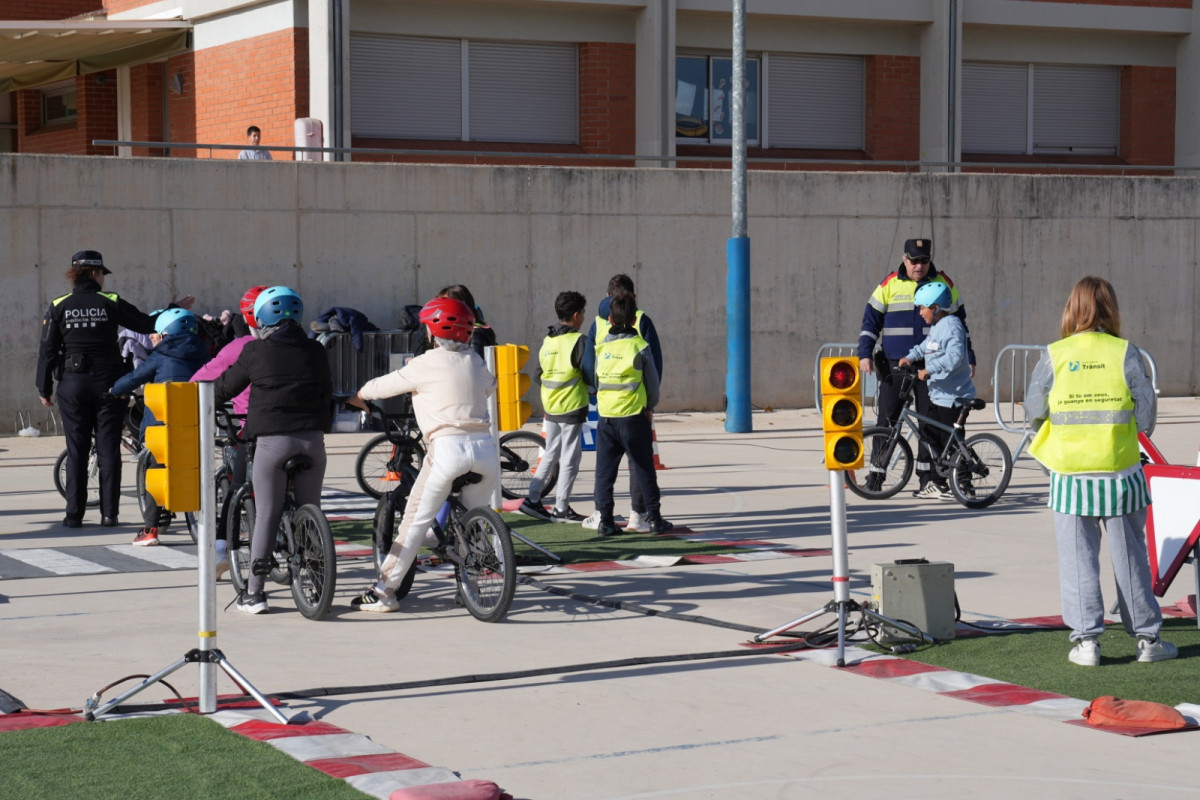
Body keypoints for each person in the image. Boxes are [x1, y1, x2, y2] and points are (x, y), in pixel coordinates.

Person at [1025, 276, 1177, 667]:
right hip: (1120, 472)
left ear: (1072, 308)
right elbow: (1145, 417)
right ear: (1111, 308)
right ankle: (1147, 640)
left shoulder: (1054, 354)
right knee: (1131, 559)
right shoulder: (1126, 352)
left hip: (1070, 475)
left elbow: (1033, 410)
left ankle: (1087, 643)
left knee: (1077, 562)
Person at [347, 297, 500, 613]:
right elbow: (488, 387)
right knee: (474, 522)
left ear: (431, 332)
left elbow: (383, 386)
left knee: (414, 524)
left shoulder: (424, 363)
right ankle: (470, 587)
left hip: (447, 450)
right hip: (485, 451)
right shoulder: (476, 361)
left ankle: (384, 591)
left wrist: (359, 396)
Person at [35, 250, 194, 529]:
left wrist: (43, 387)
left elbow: (47, 350)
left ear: (75, 275)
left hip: (72, 385)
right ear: (96, 274)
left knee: (77, 451)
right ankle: (110, 514)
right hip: (109, 384)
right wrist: (171, 308)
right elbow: (147, 324)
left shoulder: (58, 305)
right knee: (108, 448)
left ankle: (74, 515)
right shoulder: (110, 302)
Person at [209, 286, 332, 614]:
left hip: (273, 442)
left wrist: (203, 400)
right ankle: (318, 582)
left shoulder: (255, 351)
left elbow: (224, 387)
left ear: (261, 318)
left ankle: (254, 593)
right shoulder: (317, 350)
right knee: (311, 508)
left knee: (266, 512)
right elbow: (327, 391)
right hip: (313, 442)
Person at [857, 238, 975, 494]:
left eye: (924, 260)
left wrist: (970, 356)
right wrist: (864, 353)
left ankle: (928, 479)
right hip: (896, 364)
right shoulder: (889, 284)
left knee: (928, 423)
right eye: (914, 260)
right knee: (886, 421)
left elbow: (961, 326)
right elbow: (870, 321)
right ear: (904, 259)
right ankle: (876, 477)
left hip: (932, 367)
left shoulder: (943, 284)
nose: (919, 266)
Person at [110, 309, 210, 546]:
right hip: (197, 425)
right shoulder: (204, 352)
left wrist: (114, 390)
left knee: (155, 469)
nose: (155, 337)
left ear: (166, 334)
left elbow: (135, 378)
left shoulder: (161, 355)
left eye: (158, 333)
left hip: (163, 429)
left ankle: (150, 529)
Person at [191, 285, 267, 575]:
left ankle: (221, 548)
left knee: (237, 489)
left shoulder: (240, 348)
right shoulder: (302, 344)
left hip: (250, 427)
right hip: (302, 428)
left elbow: (201, 381)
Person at [584, 274, 664, 532]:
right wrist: (649, 407)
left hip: (606, 417)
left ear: (609, 317)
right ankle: (652, 518)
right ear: (634, 317)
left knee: (604, 473)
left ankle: (605, 520)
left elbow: (593, 374)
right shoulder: (639, 344)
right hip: (633, 415)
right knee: (643, 469)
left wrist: (598, 396)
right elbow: (653, 380)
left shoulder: (601, 347)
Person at [518, 291, 594, 523]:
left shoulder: (548, 341)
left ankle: (532, 499)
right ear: (575, 315)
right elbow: (590, 374)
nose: (583, 316)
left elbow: (538, 375)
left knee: (550, 454)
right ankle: (561, 507)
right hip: (572, 405)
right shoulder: (579, 341)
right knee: (571, 458)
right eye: (582, 312)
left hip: (551, 406)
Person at [897, 282, 976, 499]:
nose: (920, 313)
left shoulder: (952, 325)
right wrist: (910, 357)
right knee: (933, 436)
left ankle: (965, 486)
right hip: (940, 395)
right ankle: (942, 483)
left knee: (950, 441)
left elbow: (955, 357)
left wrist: (928, 370)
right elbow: (926, 346)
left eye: (922, 308)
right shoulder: (938, 327)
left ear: (935, 307)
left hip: (954, 397)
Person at [412, 284, 496, 359]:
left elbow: (473, 367)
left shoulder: (476, 334)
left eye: (445, 306)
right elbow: (418, 354)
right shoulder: (443, 331)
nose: (439, 311)